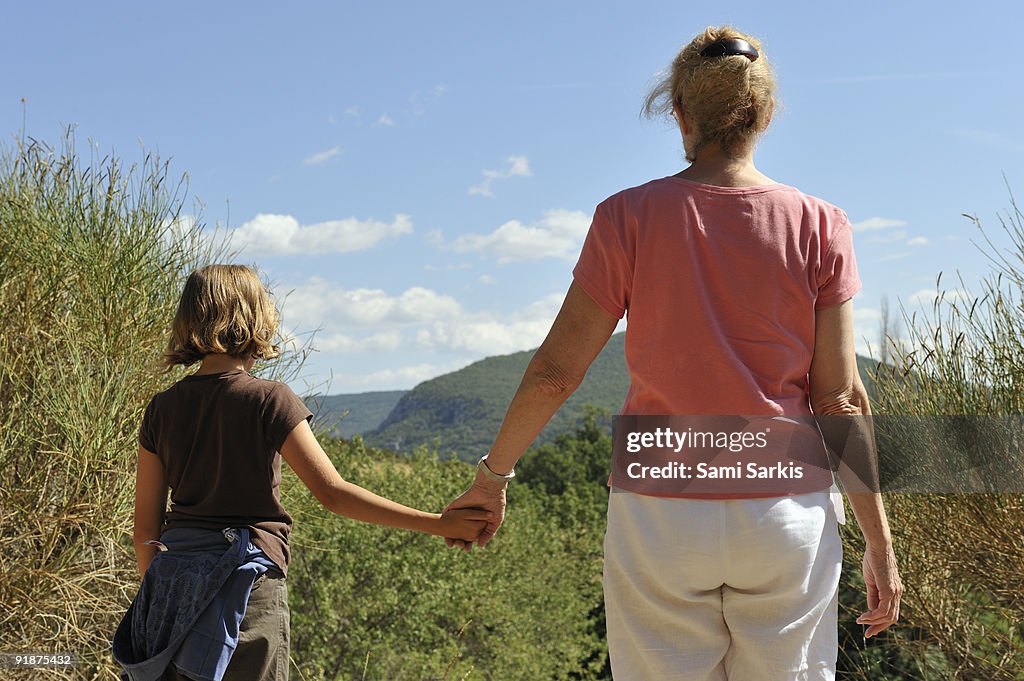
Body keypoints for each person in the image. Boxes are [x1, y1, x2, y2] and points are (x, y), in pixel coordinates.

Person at [445, 26, 902, 680]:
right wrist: (879, 543)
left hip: (660, 515)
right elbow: (838, 399)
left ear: (680, 113)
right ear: (766, 114)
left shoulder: (625, 217)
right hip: (783, 512)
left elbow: (555, 372)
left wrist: (492, 479)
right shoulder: (821, 225)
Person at [113, 264, 489, 681]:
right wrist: (438, 524)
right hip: (245, 589)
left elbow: (144, 527)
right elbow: (333, 493)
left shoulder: (162, 407)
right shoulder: (269, 399)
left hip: (170, 587)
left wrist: (170, 594)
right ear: (253, 317)